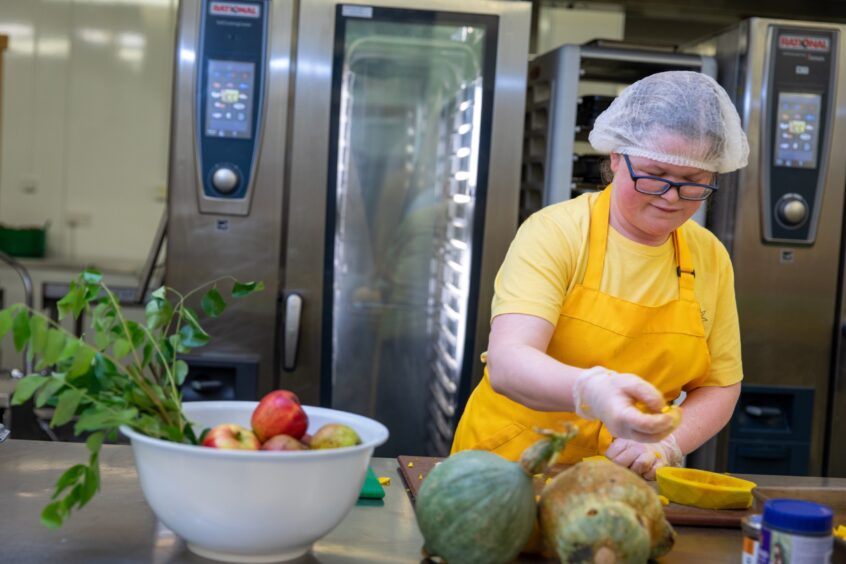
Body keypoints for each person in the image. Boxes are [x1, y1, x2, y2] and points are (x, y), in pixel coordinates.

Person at [451, 71, 749, 480]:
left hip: (618, 485)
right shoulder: (557, 233)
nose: (670, 197)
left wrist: (668, 442)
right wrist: (590, 391)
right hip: (507, 473)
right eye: (654, 174)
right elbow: (508, 362)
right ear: (615, 157)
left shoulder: (709, 257)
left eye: (692, 183)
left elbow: (719, 386)